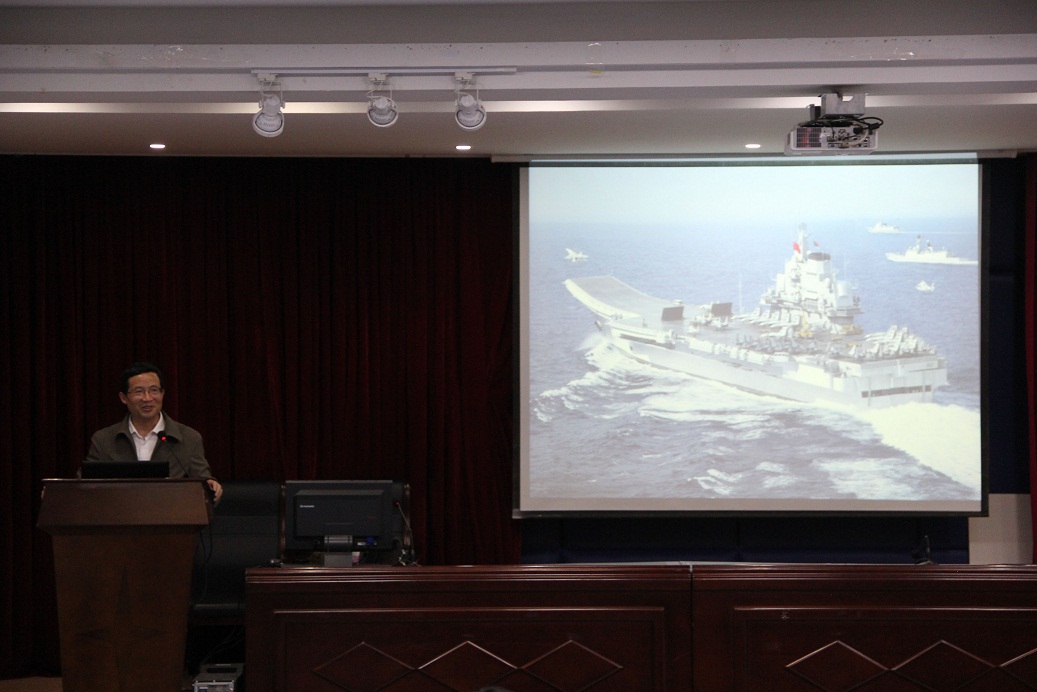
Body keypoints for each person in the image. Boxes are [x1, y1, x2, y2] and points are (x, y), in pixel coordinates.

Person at [86, 361, 223, 503]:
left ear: (162, 393)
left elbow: (203, 482)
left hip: (171, 514)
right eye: (139, 391)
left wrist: (210, 487)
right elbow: (84, 485)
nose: (147, 398)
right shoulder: (104, 439)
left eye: (154, 390)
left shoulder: (188, 438)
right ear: (123, 397)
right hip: (119, 513)